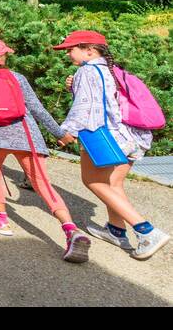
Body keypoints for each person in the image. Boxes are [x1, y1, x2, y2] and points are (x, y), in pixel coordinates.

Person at [0, 37, 89, 263]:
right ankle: (71, 230)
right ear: (0, 57)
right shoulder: (16, 78)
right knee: (42, 183)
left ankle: (0, 219)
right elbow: (37, 109)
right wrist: (59, 133)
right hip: (26, 133)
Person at [53, 30, 169, 260]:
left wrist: (67, 131)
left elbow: (86, 107)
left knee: (93, 180)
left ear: (89, 50)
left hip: (106, 137)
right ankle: (116, 231)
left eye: (70, 49)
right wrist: (74, 84)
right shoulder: (109, 69)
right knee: (113, 184)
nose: (67, 54)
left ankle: (147, 231)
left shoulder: (86, 71)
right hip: (133, 136)